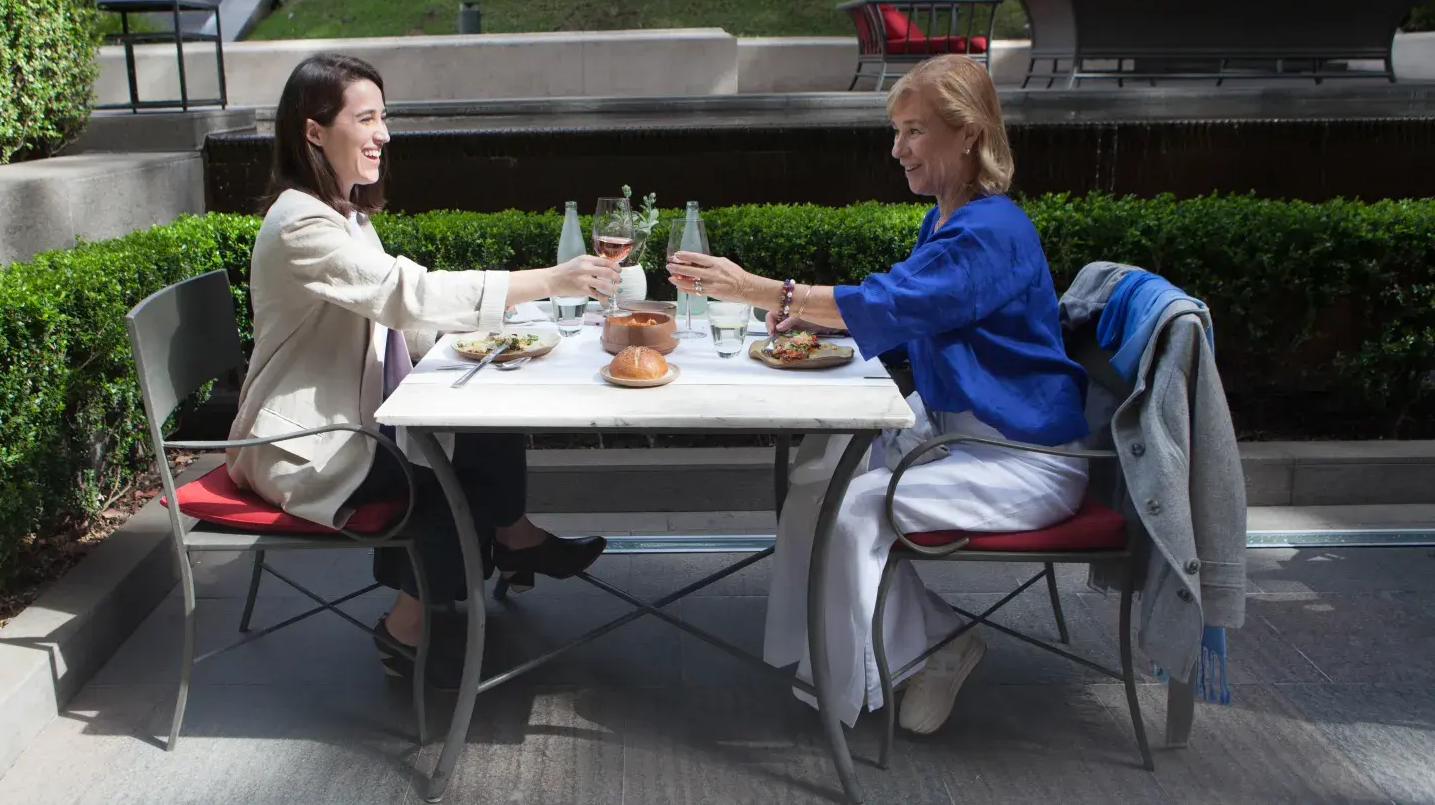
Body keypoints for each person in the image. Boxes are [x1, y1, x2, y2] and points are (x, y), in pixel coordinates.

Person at [667, 55, 1090, 735]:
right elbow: (900, 314)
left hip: (1021, 458)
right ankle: (815, 651)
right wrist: (814, 315)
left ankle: (920, 653)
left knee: (859, 504)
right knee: (819, 473)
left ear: (970, 134)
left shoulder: (992, 232)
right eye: (896, 132)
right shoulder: (949, 223)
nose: (897, 150)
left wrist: (762, 290)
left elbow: (894, 303)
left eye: (915, 131)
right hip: (963, 436)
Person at [229, 53, 618, 687]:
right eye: (367, 118)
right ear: (313, 130)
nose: (383, 133)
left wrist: (503, 331)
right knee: (447, 492)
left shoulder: (345, 216)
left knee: (492, 430)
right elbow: (405, 294)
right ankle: (404, 627)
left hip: (356, 424)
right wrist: (544, 281)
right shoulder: (300, 222)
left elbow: (401, 319)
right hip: (310, 445)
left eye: (385, 117)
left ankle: (514, 540)